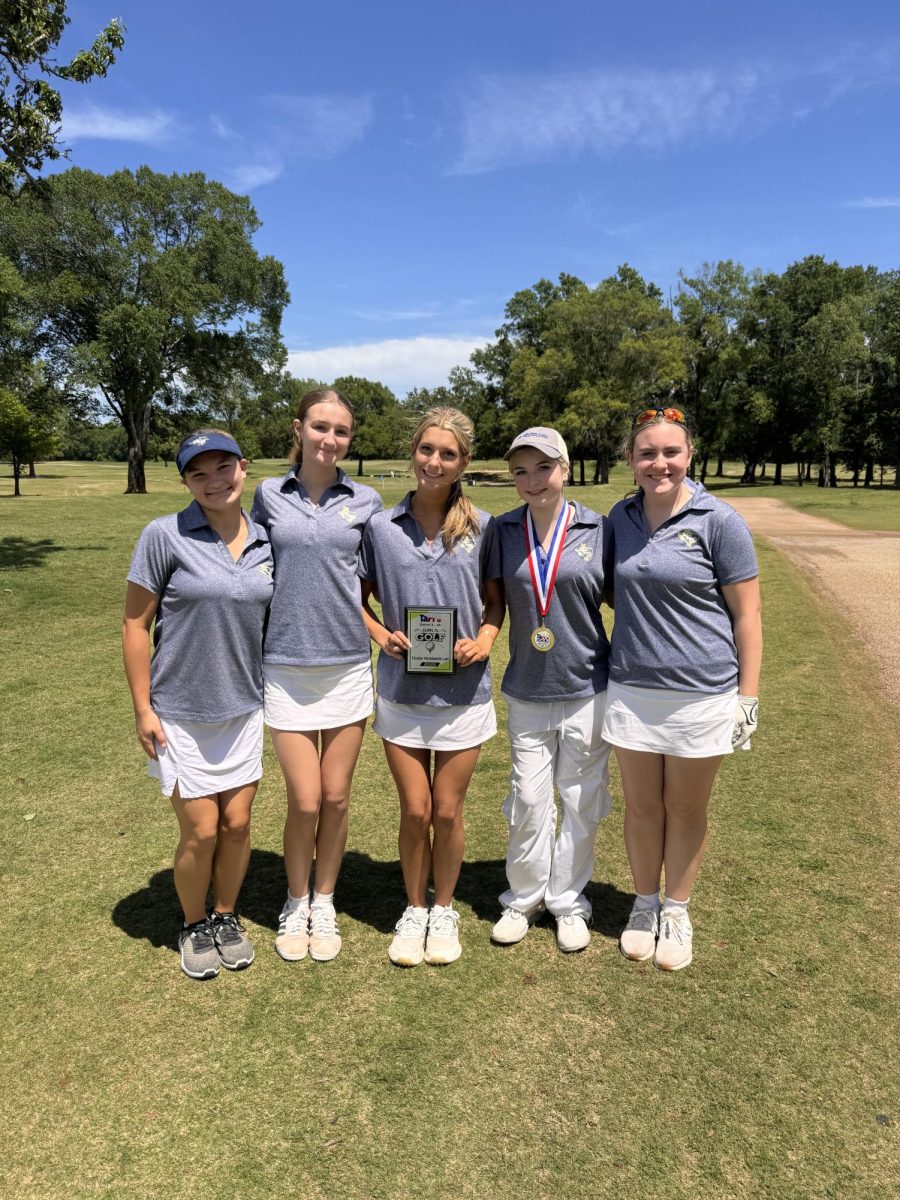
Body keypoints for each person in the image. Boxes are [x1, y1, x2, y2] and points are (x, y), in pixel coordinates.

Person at [601, 407, 762, 971]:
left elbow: (748, 615)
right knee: (644, 807)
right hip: (632, 692)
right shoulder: (618, 519)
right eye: (647, 453)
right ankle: (644, 905)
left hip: (703, 694)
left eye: (671, 452)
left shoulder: (719, 519)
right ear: (632, 460)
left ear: (689, 456)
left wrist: (748, 695)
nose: (659, 463)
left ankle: (677, 909)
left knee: (686, 809)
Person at [123, 430, 274, 981]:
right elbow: (135, 624)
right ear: (185, 481)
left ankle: (226, 915)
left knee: (237, 825)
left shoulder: (265, 540)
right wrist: (144, 708)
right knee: (202, 831)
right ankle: (193, 922)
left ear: (244, 467)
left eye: (224, 467)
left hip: (243, 708)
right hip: (179, 712)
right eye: (199, 473)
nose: (215, 481)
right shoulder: (163, 535)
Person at [360, 407, 503, 967]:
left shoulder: (483, 527)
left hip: (464, 694)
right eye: (426, 450)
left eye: (448, 453)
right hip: (401, 692)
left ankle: (444, 909)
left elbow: (495, 602)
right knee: (415, 810)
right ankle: (414, 908)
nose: (434, 462)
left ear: (463, 461)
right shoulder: (380, 527)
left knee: (447, 811)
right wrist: (379, 634)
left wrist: (487, 637)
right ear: (412, 452)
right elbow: (357, 595)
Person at [251, 389, 382, 963]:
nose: (330, 439)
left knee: (335, 796)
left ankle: (323, 901)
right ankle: (294, 898)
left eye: (342, 431)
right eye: (320, 427)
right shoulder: (265, 495)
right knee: (304, 801)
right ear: (299, 429)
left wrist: (381, 632)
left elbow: (376, 579)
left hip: (348, 667)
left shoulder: (367, 501)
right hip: (284, 667)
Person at [490, 427, 613, 953]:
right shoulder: (502, 531)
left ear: (564, 468)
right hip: (527, 687)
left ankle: (567, 901)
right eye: (521, 470)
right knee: (528, 798)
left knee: (581, 800)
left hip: (588, 686)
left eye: (543, 467)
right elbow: (489, 601)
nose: (533, 480)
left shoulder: (597, 529)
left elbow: (625, 605)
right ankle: (523, 897)